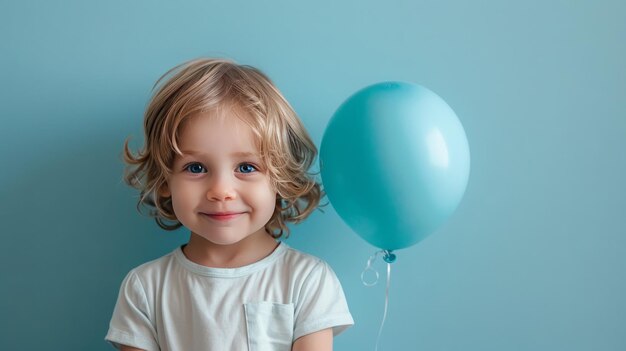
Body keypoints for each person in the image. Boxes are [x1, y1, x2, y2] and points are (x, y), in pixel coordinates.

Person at [104, 58, 353, 351]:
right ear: (164, 181)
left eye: (246, 168)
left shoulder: (307, 280)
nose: (221, 191)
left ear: (280, 178)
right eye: (196, 168)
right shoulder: (145, 289)